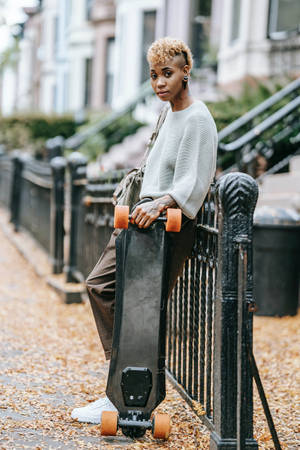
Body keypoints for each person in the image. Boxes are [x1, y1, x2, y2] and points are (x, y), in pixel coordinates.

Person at [71, 37, 218, 424]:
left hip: (166, 225)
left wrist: (161, 203)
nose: (159, 83)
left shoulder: (198, 118)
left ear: (186, 70)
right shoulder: (168, 113)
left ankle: (122, 395)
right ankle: (123, 378)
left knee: (143, 311)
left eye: (167, 74)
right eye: (154, 76)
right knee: (99, 285)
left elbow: (195, 180)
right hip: (140, 221)